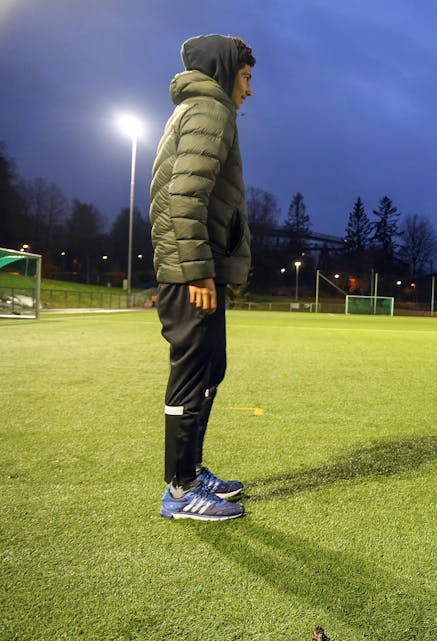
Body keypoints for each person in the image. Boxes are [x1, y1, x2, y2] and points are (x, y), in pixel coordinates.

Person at [149, 34, 255, 520]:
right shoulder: (210, 112)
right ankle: (180, 489)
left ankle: (191, 470)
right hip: (191, 270)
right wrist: (197, 271)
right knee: (193, 375)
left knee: (211, 370)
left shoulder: (205, 111)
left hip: (198, 266)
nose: (249, 89)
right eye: (246, 76)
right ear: (225, 70)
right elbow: (184, 197)